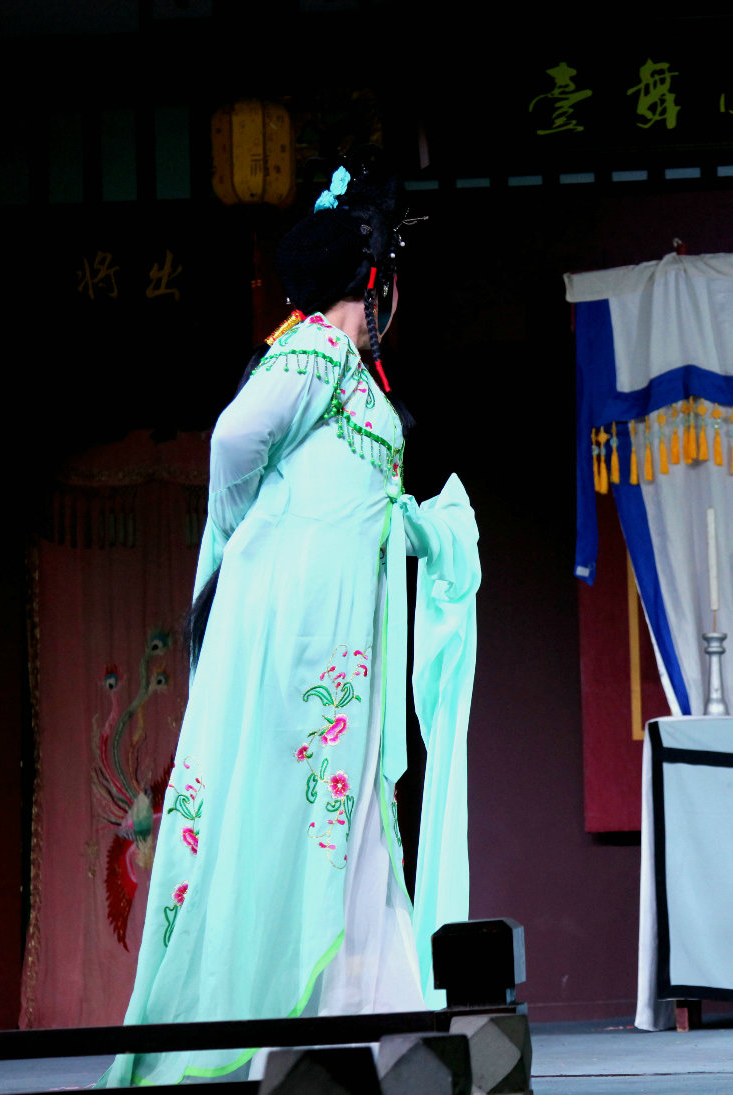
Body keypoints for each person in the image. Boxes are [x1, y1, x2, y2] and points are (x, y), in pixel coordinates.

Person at [100, 159, 480, 1086]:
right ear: (374, 285)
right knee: (301, 807)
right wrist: (246, 532)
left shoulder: (352, 375)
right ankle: (307, 1021)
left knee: (351, 816)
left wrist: (423, 531)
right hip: (298, 621)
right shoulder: (313, 349)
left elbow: (359, 495)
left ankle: (367, 1017)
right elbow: (235, 439)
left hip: (340, 629)